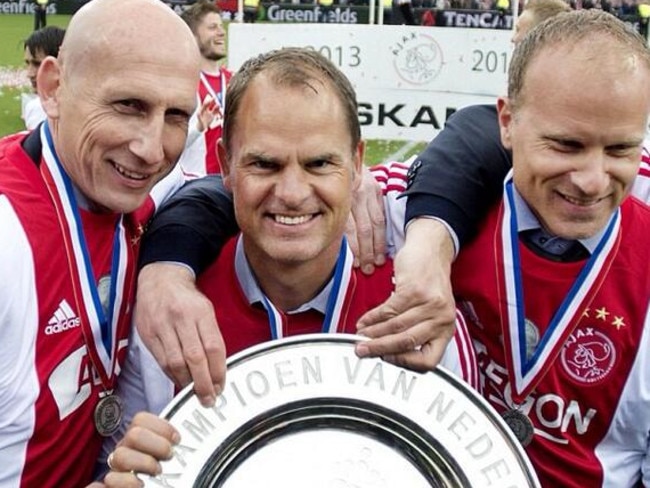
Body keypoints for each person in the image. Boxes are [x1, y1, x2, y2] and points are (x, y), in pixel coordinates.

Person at [101, 47, 478, 482]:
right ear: (225, 164)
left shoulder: (412, 302)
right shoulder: (170, 308)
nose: (293, 192)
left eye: (319, 163)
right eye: (265, 164)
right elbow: (120, 464)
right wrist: (126, 471)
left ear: (356, 164)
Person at [416, 9, 650, 486]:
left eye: (621, 150)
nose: (591, 180)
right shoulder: (421, 211)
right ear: (507, 122)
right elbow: (261, 198)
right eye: (565, 145)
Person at [0, 0, 202, 485]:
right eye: (128, 105)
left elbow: (209, 194)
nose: (152, 150)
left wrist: (167, 266)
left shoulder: (126, 197)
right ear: (52, 88)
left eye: (176, 115)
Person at [178, 0, 232, 177]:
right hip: (197, 184)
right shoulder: (184, 83)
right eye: (212, 27)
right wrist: (198, 128)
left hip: (231, 185)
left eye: (221, 26)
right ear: (192, 37)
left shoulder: (233, 80)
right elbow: (169, 144)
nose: (221, 32)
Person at [21, 25, 66, 131]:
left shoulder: (86, 112)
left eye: (37, 64)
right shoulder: (34, 108)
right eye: (27, 63)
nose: (30, 73)